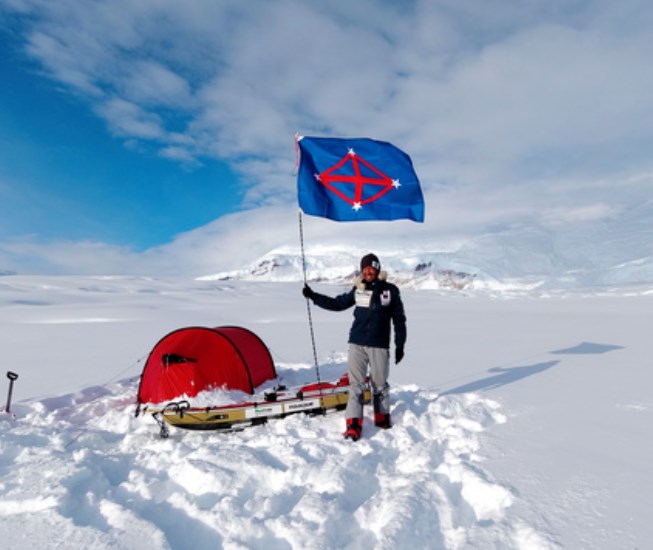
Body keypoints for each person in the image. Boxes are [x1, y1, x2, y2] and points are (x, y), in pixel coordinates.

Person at [302, 253, 406, 441]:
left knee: (380, 385)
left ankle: (381, 418)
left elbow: (399, 319)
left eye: (371, 267)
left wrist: (400, 344)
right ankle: (353, 424)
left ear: (377, 269)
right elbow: (337, 304)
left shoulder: (390, 290)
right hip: (356, 343)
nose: (368, 271)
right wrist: (313, 296)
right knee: (355, 385)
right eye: (365, 268)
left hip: (379, 345)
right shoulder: (358, 289)